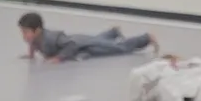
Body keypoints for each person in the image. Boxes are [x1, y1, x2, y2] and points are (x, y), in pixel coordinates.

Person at [17, 12, 153, 62]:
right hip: (81, 46)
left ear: (37, 30)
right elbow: (33, 44)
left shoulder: (51, 38)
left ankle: (145, 38)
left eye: (26, 32)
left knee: (116, 47)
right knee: (99, 40)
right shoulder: (35, 38)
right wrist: (30, 55)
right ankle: (112, 32)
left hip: (80, 44)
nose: (24, 35)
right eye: (22, 32)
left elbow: (71, 45)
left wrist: (58, 58)